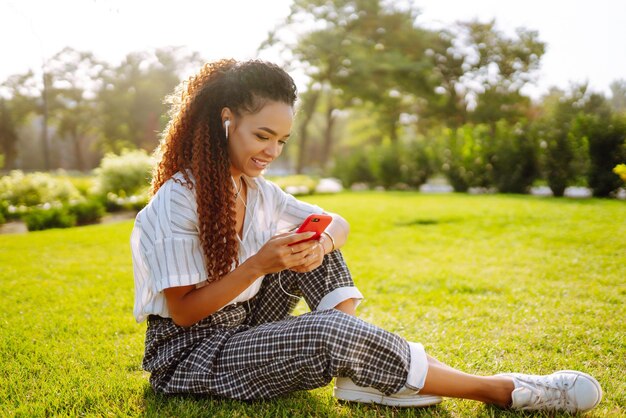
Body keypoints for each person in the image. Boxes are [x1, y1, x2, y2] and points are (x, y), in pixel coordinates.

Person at [130, 59, 602, 413]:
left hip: (243, 327)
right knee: (323, 325)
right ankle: (499, 389)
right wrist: (258, 265)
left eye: (282, 141)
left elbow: (338, 223)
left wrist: (320, 243)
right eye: (263, 136)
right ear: (226, 119)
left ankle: (359, 377)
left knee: (311, 241)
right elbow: (183, 311)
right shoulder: (179, 199)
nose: (272, 151)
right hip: (190, 355)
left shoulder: (256, 189)